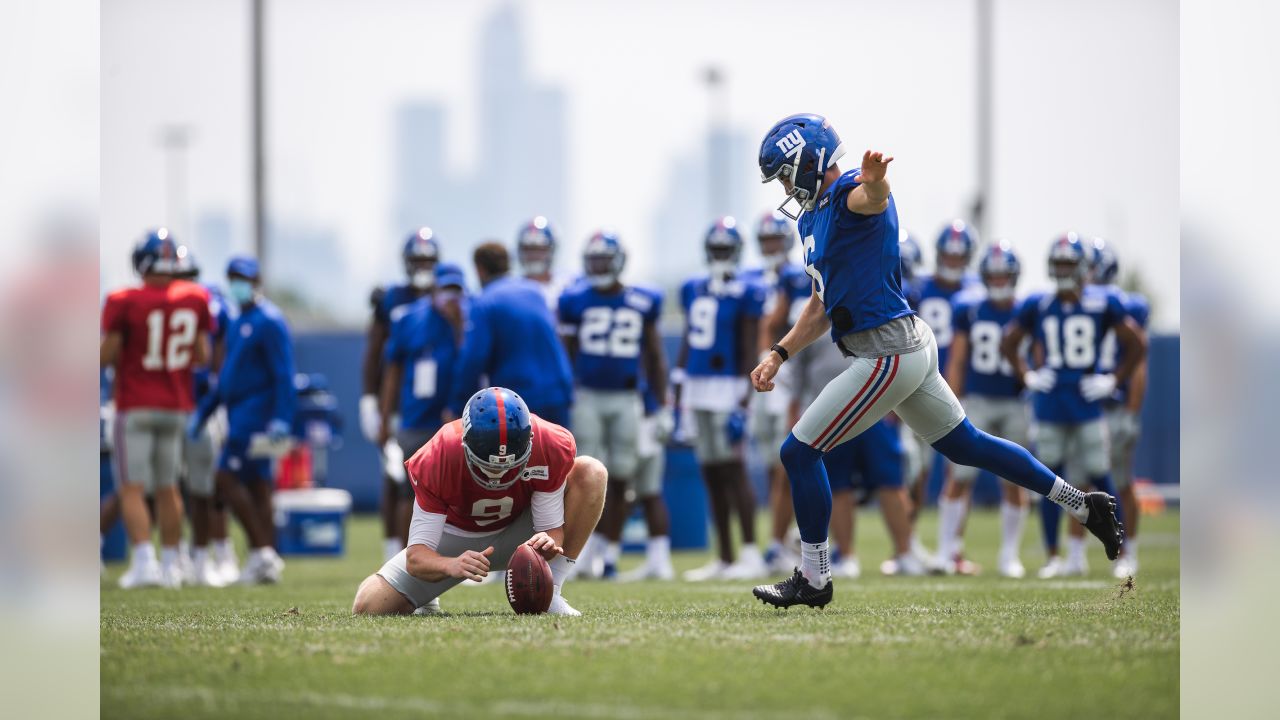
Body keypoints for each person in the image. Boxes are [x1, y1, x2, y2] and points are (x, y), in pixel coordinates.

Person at [749, 113, 1123, 609]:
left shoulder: (847, 193)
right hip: (903, 344)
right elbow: (821, 307)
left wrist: (878, 179)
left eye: (783, 172)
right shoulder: (815, 217)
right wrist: (779, 353)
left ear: (807, 161)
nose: (782, 184)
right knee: (968, 446)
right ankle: (1083, 505)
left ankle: (815, 579)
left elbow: (872, 198)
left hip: (886, 352)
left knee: (799, 452)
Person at [351, 387, 607, 617]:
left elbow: (550, 530)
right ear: (464, 444)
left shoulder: (548, 443)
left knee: (591, 472)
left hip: (519, 532)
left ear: (529, 442)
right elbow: (417, 557)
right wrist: (451, 564)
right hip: (456, 538)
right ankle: (428, 597)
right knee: (368, 604)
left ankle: (552, 593)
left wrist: (549, 542)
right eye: (488, 467)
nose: (498, 476)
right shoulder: (439, 453)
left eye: (510, 467)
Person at [1001, 233, 1147, 579]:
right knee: (1049, 481)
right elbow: (1010, 343)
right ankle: (1053, 556)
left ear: (1082, 267)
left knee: (1100, 475)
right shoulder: (1038, 303)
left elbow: (1137, 345)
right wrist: (1027, 374)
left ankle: (1123, 552)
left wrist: (1113, 379)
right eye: (1059, 263)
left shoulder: (1102, 302)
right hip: (1050, 402)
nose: (1063, 269)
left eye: (1069, 263)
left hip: (1086, 403)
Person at [101, 229, 213, 588]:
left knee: (132, 488)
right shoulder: (195, 297)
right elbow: (201, 355)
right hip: (176, 405)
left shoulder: (124, 299)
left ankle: (145, 562)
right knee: (168, 487)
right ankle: (171, 566)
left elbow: (109, 354)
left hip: (135, 404)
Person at [558, 232, 671, 580]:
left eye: (604, 260)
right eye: (594, 260)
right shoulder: (574, 298)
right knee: (581, 475)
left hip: (627, 397)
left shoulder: (643, 299)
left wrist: (662, 404)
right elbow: (567, 353)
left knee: (621, 476)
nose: (599, 267)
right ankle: (581, 553)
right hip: (588, 395)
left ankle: (609, 553)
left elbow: (654, 356)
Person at [189, 256, 296, 584]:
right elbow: (226, 378)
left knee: (225, 479)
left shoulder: (269, 320)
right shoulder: (237, 321)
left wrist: (281, 419)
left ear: (256, 281)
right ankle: (265, 560)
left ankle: (262, 552)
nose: (237, 283)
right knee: (257, 486)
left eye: (243, 277)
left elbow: (283, 375)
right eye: (233, 277)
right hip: (238, 414)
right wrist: (204, 412)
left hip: (257, 418)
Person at [676, 217, 769, 581]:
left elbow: (748, 346)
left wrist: (745, 397)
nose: (720, 255)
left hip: (728, 387)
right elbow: (687, 340)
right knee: (711, 472)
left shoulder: (748, 290)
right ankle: (726, 556)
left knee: (734, 470)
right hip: (697, 386)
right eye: (716, 249)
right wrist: (678, 390)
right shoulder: (693, 287)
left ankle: (749, 553)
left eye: (725, 249)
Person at [936, 240, 1032, 578]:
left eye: (1004, 274)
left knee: (1014, 479)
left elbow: (1038, 356)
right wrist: (953, 398)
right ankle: (946, 550)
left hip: (1013, 400)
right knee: (960, 476)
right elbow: (958, 358)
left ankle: (1009, 555)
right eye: (993, 274)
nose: (999, 280)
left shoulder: (1026, 309)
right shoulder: (970, 307)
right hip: (976, 399)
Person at [791, 329, 919, 577]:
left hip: (875, 402)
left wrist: (898, 398)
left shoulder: (870, 301)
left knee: (890, 479)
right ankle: (846, 555)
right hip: (829, 407)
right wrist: (795, 405)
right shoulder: (811, 313)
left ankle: (906, 552)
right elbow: (799, 367)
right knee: (838, 483)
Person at [360, 228, 441, 562]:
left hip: (431, 403)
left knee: (433, 479)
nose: (422, 265)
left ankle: (427, 547)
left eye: (427, 259)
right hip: (395, 401)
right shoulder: (392, 299)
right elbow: (375, 352)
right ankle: (393, 548)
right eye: (417, 259)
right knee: (395, 477)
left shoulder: (444, 296)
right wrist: (370, 399)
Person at [747, 211, 813, 574]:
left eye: (776, 240)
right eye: (766, 241)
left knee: (791, 464)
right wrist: (765, 359)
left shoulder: (798, 274)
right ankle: (778, 541)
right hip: (782, 379)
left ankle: (784, 539)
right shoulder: (763, 279)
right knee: (782, 466)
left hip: (802, 377)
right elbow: (768, 324)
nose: (771, 247)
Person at [449, 242, 575, 427]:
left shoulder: (484, 302)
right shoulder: (535, 291)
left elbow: (473, 359)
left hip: (519, 404)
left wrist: (457, 407)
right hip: (558, 395)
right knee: (559, 455)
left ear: (479, 269)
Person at [173, 247, 236, 586]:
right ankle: (181, 556)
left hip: (201, 405)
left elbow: (219, 360)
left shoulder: (211, 304)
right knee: (173, 487)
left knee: (208, 485)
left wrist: (216, 400)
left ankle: (212, 554)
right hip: (174, 403)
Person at [1088, 238, 1150, 577]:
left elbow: (1139, 362)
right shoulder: (1078, 304)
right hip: (1086, 406)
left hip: (1114, 404)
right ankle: (1074, 554)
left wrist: (1131, 409)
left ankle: (1131, 551)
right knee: (1080, 482)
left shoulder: (1128, 306)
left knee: (1122, 480)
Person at [516, 216, 573, 310]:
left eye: (539, 249)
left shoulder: (567, 285)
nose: (534, 255)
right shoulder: (514, 288)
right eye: (529, 249)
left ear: (551, 250)